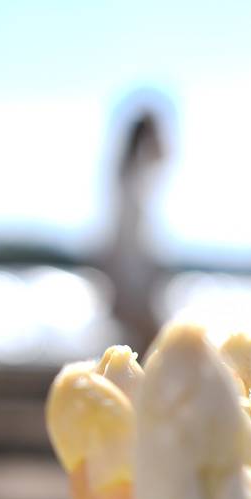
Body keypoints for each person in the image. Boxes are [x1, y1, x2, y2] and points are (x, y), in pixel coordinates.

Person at [101, 105, 169, 355]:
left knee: (143, 354)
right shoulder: (132, 181)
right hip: (133, 284)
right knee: (152, 353)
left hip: (135, 282)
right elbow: (126, 242)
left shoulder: (129, 176)